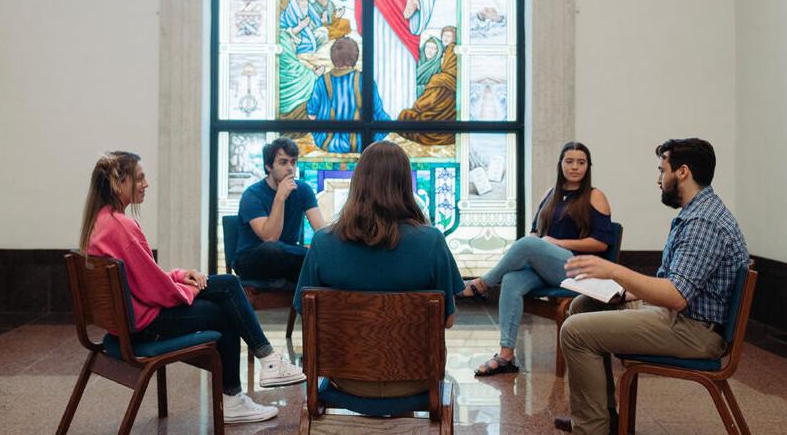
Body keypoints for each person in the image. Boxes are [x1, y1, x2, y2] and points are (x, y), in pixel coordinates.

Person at [80, 151, 305, 424]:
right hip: (145, 326)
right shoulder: (123, 227)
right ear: (119, 183)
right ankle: (250, 381)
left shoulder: (102, 222)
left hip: (127, 324)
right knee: (228, 301)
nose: (146, 183)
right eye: (139, 178)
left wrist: (178, 275)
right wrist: (190, 289)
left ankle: (261, 369)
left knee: (227, 289)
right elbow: (155, 290)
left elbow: (143, 277)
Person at [555, 138, 750, 435]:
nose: (658, 179)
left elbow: (676, 297)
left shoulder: (704, 222)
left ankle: (593, 429)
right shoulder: (698, 213)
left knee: (575, 331)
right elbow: (672, 283)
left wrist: (614, 270)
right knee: (583, 305)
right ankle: (604, 417)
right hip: (686, 318)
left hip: (695, 331)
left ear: (682, 172)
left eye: (662, 170)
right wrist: (616, 289)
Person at [293, 140, 465, 399]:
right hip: (415, 379)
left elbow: (306, 315)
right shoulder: (431, 242)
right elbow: (447, 320)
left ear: (357, 183)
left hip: (345, 378)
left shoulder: (322, 243)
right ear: (406, 185)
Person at [458, 142, 613, 377]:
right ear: (560, 165)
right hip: (549, 266)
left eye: (581, 163)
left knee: (528, 244)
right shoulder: (551, 194)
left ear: (588, 167)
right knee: (511, 278)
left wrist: (556, 243)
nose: (574, 167)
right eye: (569, 161)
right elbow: (536, 233)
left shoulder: (595, 196)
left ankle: (482, 283)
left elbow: (601, 243)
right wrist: (537, 241)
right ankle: (506, 355)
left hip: (578, 268)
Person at [235, 138, 326, 283]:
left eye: (293, 162)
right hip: (254, 258)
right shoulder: (252, 195)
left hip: (288, 254)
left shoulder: (303, 189)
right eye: (283, 162)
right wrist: (280, 198)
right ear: (268, 167)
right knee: (271, 250)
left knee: (321, 256)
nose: (290, 168)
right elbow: (270, 237)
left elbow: (321, 230)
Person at [306, 38, 390, 152]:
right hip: (361, 142)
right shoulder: (365, 80)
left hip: (327, 142)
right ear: (355, 57)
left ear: (333, 57)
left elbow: (311, 114)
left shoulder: (321, 81)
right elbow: (377, 110)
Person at [398, 26, 458, 145]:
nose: (430, 51)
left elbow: (427, 101)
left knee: (406, 117)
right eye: (428, 47)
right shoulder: (417, 62)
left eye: (434, 49)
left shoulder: (439, 75)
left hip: (431, 113)